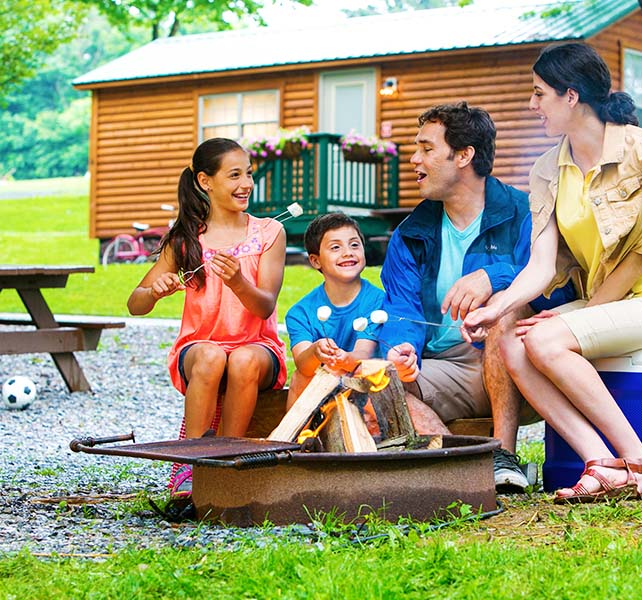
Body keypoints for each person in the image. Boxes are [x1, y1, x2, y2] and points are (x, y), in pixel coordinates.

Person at [462, 42, 642, 503]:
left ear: (570, 96)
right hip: (609, 305)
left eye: (539, 94)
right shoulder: (546, 171)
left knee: (546, 337)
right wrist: (496, 308)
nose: (532, 105)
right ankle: (601, 462)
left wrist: (580, 318)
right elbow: (541, 266)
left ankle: (641, 464)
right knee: (511, 336)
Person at [380, 101, 574, 491]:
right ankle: (453, 463)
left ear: (464, 155)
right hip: (448, 368)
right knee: (378, 379)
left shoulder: (526, 212)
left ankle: (503, 454)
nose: (414, 159)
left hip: (523, 362)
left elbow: (559, 287)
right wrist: (401, 349)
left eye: (426, 148)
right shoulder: (410, 232)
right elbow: (401, 309)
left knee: (505, 309)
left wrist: (494, 277)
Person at [127, 137, 287, 497]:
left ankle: (226, 456)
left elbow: (264, 306)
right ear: (205, 181)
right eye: (234, 175)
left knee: (243, 359)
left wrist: (238, 282)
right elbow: (134, 303)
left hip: (258, 348)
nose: (246, 184)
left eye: (248, 174)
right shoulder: (186, 238)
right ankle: (190, 460)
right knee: (212, 355)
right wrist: (154, 292)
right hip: (199, 349)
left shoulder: (268, 232)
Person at [285, 212, 447, 435]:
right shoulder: (300, 313)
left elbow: (363, 353)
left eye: (354, 244)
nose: (348, 252)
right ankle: (293, 444)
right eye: (335, 248)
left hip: (370, 389)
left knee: (363, 375)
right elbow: (303, 364)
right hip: (323, 395)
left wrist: (344, 359)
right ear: (315, 260)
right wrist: (316, 351)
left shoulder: (379, 302)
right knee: (300, 377)